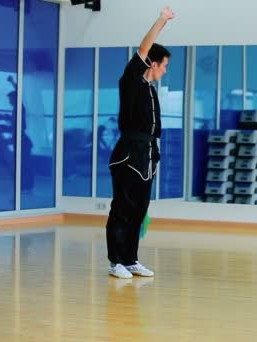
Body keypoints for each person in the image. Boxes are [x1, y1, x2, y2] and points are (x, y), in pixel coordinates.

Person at [105, 6, 175, 278]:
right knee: (122, 208)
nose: (165, 70)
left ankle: (131, 259)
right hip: (128, 154)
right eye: (165, 65)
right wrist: (161, 21)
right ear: (153, 64)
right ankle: (116, 262)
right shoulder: (132, 81)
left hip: (148, 153)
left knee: (139, 209)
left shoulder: (150, 90)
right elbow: (143, 49)